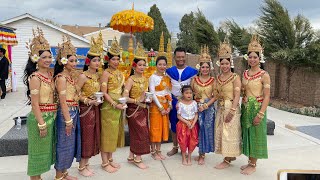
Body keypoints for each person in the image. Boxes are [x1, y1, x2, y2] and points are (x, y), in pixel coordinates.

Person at [23, 28, 57, 180]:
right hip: (40, 119)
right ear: (36, 59)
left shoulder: (49, 75)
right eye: (45, 57)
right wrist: (41, 123)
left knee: (46, 152)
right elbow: (35, 105)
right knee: (37, 153)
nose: (49, 60)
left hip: (51, 117)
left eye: (50, 56)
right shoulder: (35, 78)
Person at [240, 35, 271, 175]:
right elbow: (243, 90)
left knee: (256, 135)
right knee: (247, 134)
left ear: (260, 58)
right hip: (246, 108)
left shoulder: (264, 75)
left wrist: (261, 113)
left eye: (255, 57)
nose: (252, 60)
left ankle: (253, 164)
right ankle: (249, 161)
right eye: (250, 57)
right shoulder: (245, 74)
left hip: (257, 108)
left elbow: (267, 96)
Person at [53, 36, 81, 180]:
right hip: (66, 114)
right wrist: (68, 120)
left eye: (76, 60)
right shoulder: (61, 78)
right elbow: (62, 102)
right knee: (63, 144)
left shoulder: (69, 77)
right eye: (71, 61)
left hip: (73, 111)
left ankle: (64, 173)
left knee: (70, 144)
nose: (75, 63)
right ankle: (58, 176)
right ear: (63, 62)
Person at [214, 40, 242, 169]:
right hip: (220, 107)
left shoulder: (235, 77)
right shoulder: (218, 78)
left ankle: (227, 160)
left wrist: (232, 110)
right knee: (222, 132)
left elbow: (237, 95)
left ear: (230, 63)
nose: (224, 66)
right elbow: (215, 94)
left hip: (230, 107)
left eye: (226, 63)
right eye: (222, 63)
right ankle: (229, 156)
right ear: (219, 64)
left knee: (229, 133)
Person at [77, 37, 102, 177]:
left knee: (92, 136)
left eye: (98, 60)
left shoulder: (98, 76)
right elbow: (76, 93)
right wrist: (88, 101)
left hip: (95, 109)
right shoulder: (83, 76)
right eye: (94, 60)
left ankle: (86, 164)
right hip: (85, 110)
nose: (97, 63)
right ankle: (81, 166)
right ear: (88, 62)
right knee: (86, 137)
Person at [100, 37, 126, 173]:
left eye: (117, 59)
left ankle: (110, 159)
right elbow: (104, 93)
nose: (116, 62)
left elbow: (121, 90)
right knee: (107, 134)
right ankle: (104, 162)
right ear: (108, 60)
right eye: (113, 59)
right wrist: (115, 104)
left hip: (118, 106)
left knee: (114, 133)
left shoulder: (120, 73)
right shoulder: (105, 73)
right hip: (108, 107)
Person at [166, 47, 198, 156]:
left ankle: (186, 147)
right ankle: (175, 147)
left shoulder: (192, 72)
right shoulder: (169, 71)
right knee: (174, 125)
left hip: (187, 103)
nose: (180, 59)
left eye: (182, 57)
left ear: (186, 57)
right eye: (178, 57)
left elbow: (195, 88)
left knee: (188, 124)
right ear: (174, 57)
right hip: (174, 101)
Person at [123, 43, 150, 169]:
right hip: (133, 111)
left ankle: (131, 156)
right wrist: (136, 100)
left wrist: (147, 99)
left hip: (143, 109)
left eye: (144, 65)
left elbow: (146, 95)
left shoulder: (145, 79)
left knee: (137, 133)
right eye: (140, 65)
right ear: (134, 66)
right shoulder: (130, 80)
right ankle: (138, 159)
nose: (142, 67)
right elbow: (124, 98)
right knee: (140, 133)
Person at [191, 45, 216, 165]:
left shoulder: (213, 81)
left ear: (210, 68)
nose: (205, 69)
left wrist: (205, 106)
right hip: (196, 108)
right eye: (203, 67)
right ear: (199, 68)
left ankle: (202, 154)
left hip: (208, 109)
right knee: (197, 130)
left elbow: (215, 96)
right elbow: (189, 93)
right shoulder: (194, 80)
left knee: (206, 130)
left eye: (207, 67)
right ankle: (199, 152)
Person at [149, 56, 172, 160]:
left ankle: (159, 151)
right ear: (156, 65)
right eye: (160, 64)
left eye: (164, 64)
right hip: (156, 106)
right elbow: (152, 94)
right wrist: (160, 107)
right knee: (155, 128)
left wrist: (169, 106)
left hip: (165, 105)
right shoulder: (152, 77)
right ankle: (153, 151)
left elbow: (168, 92)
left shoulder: (167, 78)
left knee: (163, 128)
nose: (162, 66)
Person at [176, 85, 199, 166]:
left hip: (192, 125)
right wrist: (186, 122)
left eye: (190, 93)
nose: (189, 95)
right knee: (183, 141)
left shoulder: (194, 103)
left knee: (192, 141)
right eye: (186, 93)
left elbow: (196, 114)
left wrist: (193, 123)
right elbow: (178, 116)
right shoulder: (180, 104)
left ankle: (189, 156)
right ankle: (183, 156)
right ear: (183, 94)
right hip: (183, 125)